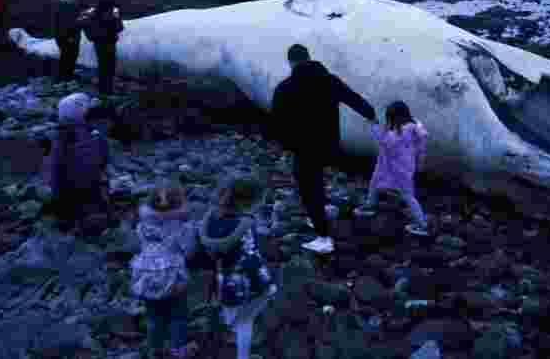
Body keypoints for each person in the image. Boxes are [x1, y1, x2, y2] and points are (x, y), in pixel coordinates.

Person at [270, 44, 377, 254]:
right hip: (330, 144)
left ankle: (323, 236)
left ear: (291, 62)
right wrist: (370, 114)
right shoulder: (329, 80)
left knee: (308, 188)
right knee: (317, 180)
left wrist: (285, 146)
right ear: (309, 58)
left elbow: (277, 122)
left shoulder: (285, 88)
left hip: (304, 147)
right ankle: (320, 214)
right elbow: (352, 98)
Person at [198, 176, 277, 359]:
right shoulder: (245, 221)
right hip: (251, 277)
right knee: (245, 322)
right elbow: (236, 246)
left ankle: (229, 326)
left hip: (227, 276)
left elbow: (213, 251)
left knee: (236, 314)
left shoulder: (212, 216)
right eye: (260, 200)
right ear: (249, 201)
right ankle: (242, 354)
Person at [135, 179, 200, 359]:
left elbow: (140, 243)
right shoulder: (183, 225)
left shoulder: (143, 223)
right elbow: (189, 250)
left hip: (146, 273)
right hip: (173, 274)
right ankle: (178, 349)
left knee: (153, 316)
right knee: (178, 314)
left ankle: (155, 348)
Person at [353, 101, 430, 235]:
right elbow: (420, 146)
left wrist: (374, 126)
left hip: (395, 168)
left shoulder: (400, 132)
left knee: (407, 195)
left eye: (389, 118)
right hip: (402, 166)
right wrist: (420, 162)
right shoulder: (414, 126)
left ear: (394, 117)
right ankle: (369, 204)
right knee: (375, 183)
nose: (387, 120)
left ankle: (422, 224)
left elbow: (385, 141)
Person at [45, 92, 111, 234]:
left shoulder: (61, 137)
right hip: (84, 191)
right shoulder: (93, 135)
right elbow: (103, 161)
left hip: (74, 193)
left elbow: (54, 170)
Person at [79, 0, 124, 96]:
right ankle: (107, 90)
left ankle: (104, 89)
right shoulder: (109, 16)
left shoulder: (92, 16)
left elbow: (84, 25)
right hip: (107, 43)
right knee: (108, 67)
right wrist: (116, 17)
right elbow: (119, 28)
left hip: (100, 44)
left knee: (104, 66)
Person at [53, 0, 83, 82]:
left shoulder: (61, 4)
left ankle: (64, 76)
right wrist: (70, 36)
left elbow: (61, 23)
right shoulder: (69, 5)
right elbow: (69, 23)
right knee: (69, 56)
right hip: (69, 36)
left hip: (63, 36)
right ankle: (65, 77)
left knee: (66, 56)